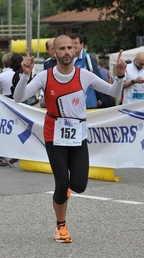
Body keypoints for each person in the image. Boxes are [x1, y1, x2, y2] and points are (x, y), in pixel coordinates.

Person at [13, 35, 127, 243]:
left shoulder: (84, 75)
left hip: (77, 135)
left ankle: (66, 188)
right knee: (61, 181)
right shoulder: (45, 77)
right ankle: (61, 225)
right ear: (54, 52)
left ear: (75, 50)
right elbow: (18, 98)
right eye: (62, 48)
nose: (66, 51)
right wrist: (24, 75)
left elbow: (113, 92)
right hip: (53, 134)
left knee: (79, 185)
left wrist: (119, 77)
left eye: (70, 48)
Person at [70, 33, 103, 109]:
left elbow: (97, 78)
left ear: (82, 45)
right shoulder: (68, 60)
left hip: (88, 103)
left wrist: (99, 97)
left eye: (76, 43)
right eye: (71, 43)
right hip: (73, 103)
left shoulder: (88, 58)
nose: (73, 46)